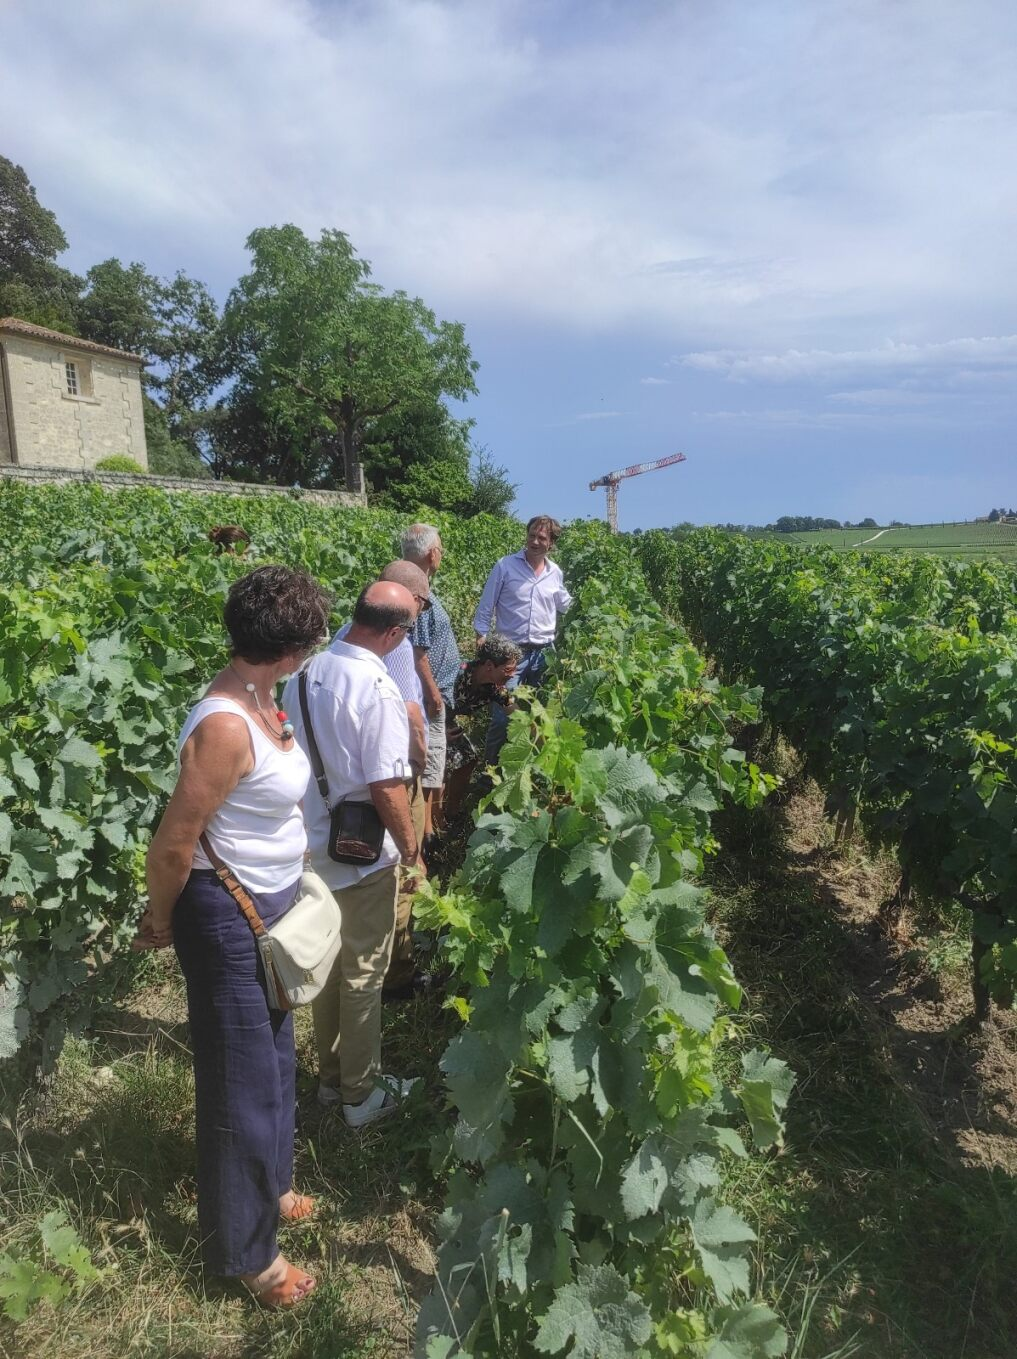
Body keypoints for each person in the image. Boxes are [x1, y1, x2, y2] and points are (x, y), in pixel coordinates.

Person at [133, 564, 331, 1309]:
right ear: (285, 652)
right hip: (226, 916)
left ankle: (271, 1185)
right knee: (239, 1085)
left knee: (276, 1058)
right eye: (308, 644)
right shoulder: (222, 724)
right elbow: (173, 845)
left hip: (271, 909)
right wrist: (160, 918)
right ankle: (249, 1255)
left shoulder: (260, 693)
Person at [282, 581, 424, 1127]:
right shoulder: (377, 687)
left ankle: (330, 1079)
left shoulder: (307, 670)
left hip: (314, 845)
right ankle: (361, 1096)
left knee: (330, 966)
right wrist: (410, 853)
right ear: (393, 633)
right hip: (364, 854)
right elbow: (387, 785)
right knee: (365, 969)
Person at [334, 560, 431, 997]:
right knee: (399, 874)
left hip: (338, 791)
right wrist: (422, 762)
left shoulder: (339, 642)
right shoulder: (392, 649)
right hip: (389, 772)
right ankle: (395, 976)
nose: (421, 617)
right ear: (409, 601)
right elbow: (412, 716)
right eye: (422, 606)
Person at [472, 514, 572, 763]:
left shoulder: (554, 573)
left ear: (551, 544)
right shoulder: (505, 566)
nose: (535, 541)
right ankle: (490, 773)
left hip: (544, 653)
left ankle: (530, 765)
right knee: (502, 716)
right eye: (531, 536)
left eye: (542, 538)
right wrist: (481, 636)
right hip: (510, 653)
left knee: (538, 712)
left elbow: (565, 605)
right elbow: (487, 603)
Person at [400, 523, 461, 852]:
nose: (442, 553)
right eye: (440, 547)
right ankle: (424, 844)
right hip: (428, 699)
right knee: (427, 771)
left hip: (430, 696)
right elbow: (418, 651)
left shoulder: (410, 585)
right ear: (431, 553)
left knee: (432, 770)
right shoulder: (417, 590)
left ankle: (428, 834)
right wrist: (434, 694)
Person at [443, 634, 522, 821]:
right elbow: (424, 699)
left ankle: (451, 812)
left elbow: (516, 712)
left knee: (469, 758)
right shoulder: (457, 674)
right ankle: (433, 826)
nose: (512, 674)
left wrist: (542, 736)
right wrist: (436, 732)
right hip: (422, 721)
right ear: (489, 666)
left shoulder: (494, 687)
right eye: (508, 669)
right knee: (438, 770)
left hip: (444, 722)